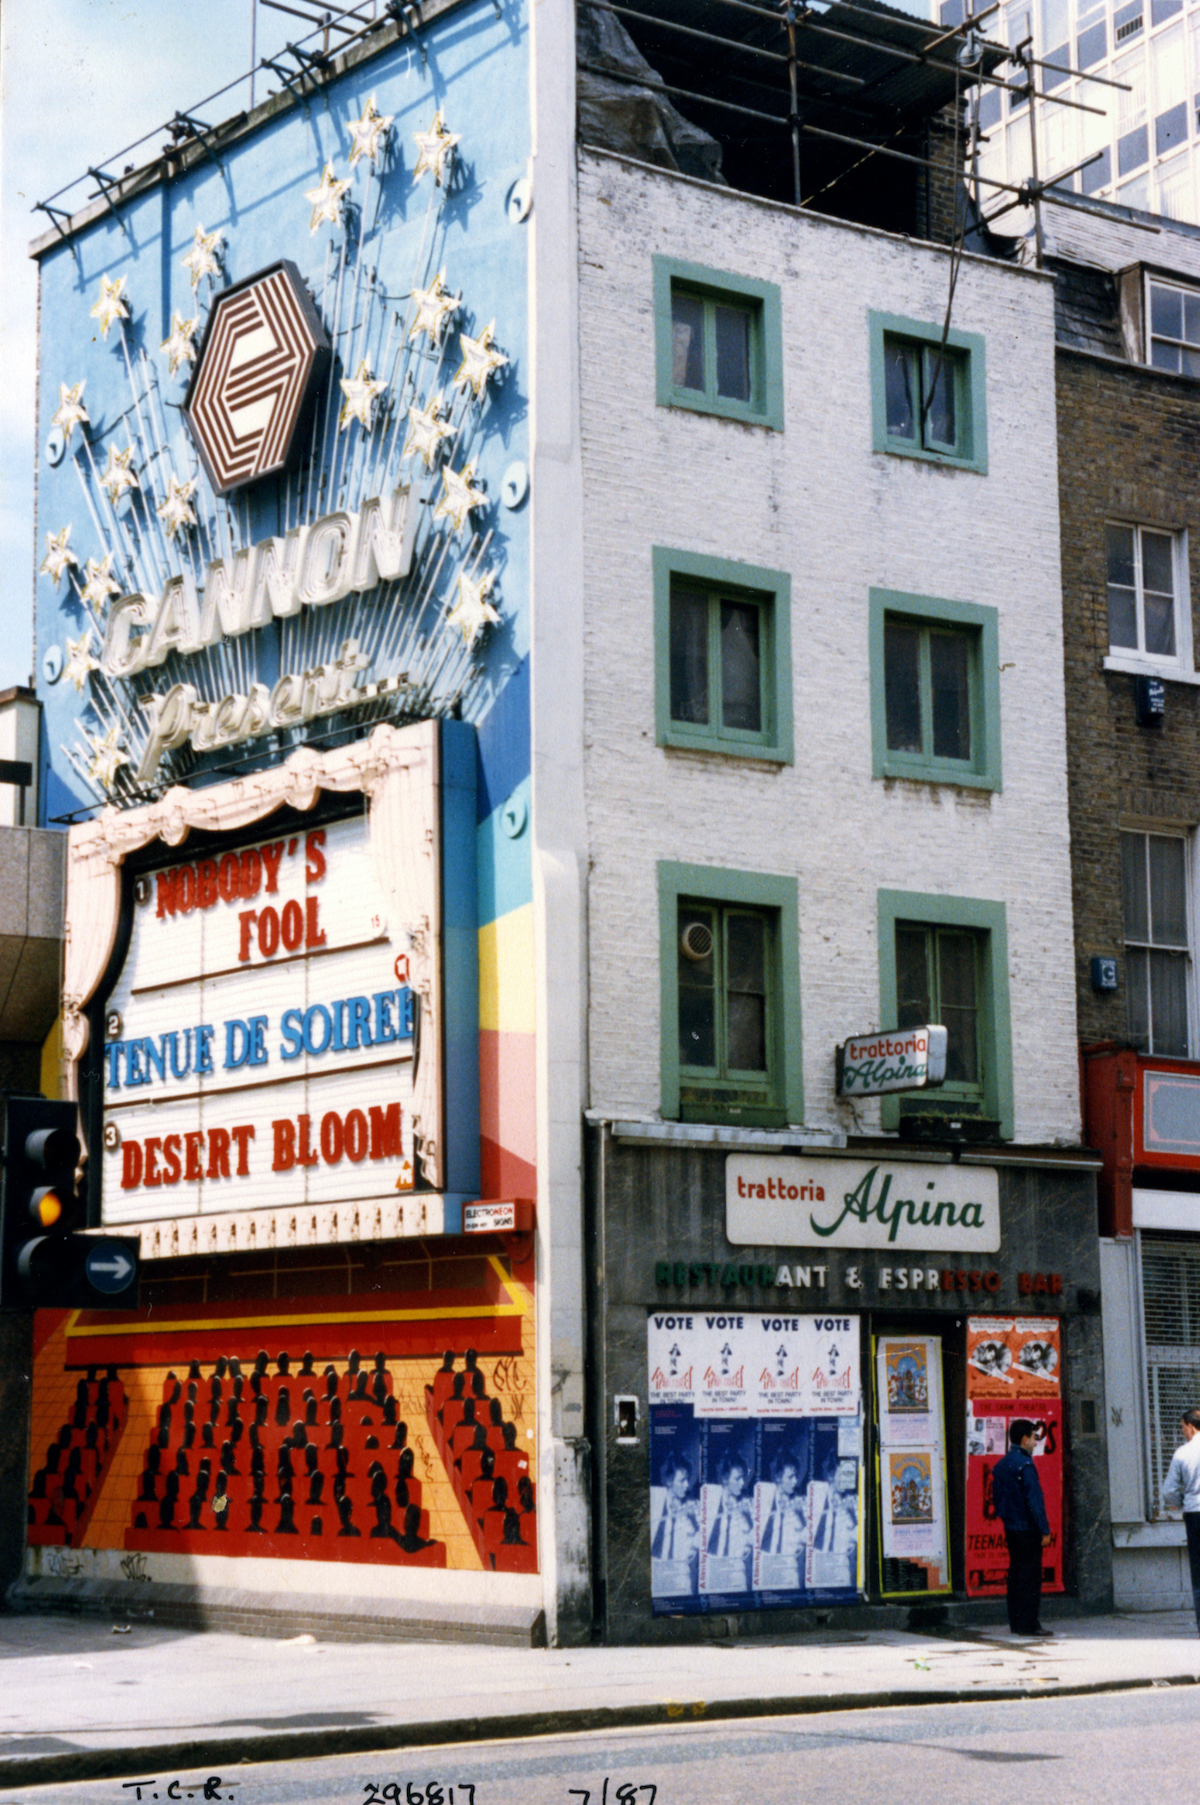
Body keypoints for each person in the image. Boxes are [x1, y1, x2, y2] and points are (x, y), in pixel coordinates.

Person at [991, 1418, 1052, 1636]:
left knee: (1016, 1574)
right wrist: (1044, 1529)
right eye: (1034, 1438)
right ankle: (1029, 1624)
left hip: (1011, 1527)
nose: (1036, 1443)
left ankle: (1016, 1623)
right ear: (1025, 1439)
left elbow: (996, 1498)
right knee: (1030, 1577)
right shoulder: (1025, 1465)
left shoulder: (1002, 1465)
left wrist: (1006, 1516)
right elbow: (1034, 1500)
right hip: (1027, 1529)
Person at [1162, 1405, 1200, 1635]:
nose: (1183, 1432)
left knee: (1198, 1571)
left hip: (1195, 1514)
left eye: (1183, 1428)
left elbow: (1170, 1491)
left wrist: (1178, 1501)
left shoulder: (1182, 1453)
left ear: (1190, 1426)